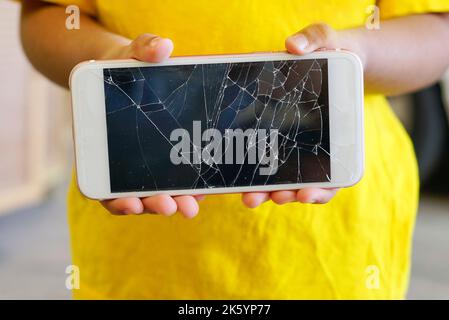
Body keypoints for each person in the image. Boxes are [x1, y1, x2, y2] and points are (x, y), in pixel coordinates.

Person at [19, 0, 449, 299]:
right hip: (139, 252)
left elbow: (435, 29)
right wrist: (110, 58)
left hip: (336, 248)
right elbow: (47, 15)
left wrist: (359, 53)